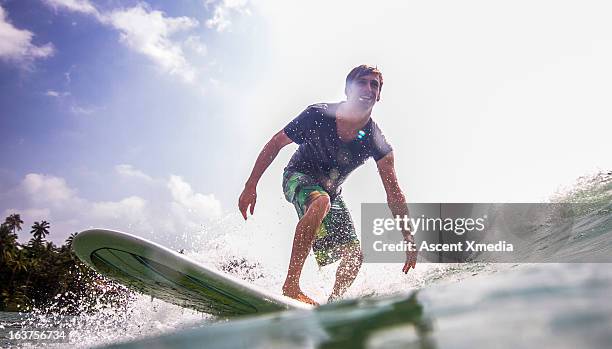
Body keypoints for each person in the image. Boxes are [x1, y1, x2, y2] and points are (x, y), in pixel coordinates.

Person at [238, 65, 417, 306]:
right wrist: (251, 185)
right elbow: (276, 142)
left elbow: (394, 192)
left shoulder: (376, 141)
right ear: (347, 89)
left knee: (355, 255)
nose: (368, 88)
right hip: (297, 176)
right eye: (361, 82)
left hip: (332, 193)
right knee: (320, 200)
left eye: (374, 84)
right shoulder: (318, 115)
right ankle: (291, 286)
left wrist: (407, 235)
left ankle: (332, 305)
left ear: (379, 94)